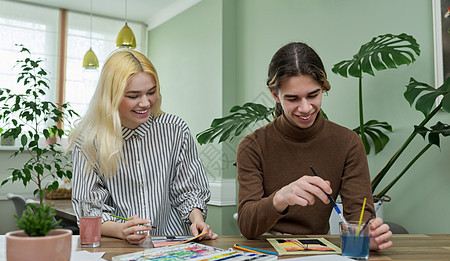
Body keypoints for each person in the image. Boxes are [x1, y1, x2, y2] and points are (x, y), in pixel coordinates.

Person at [236, 42, 392, 250]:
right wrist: (281, 198)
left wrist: (365, 234)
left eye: (313, 95)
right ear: (275, 95)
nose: (305, 108)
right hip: (265, 251)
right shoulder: (252, 146)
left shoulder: (348, 143)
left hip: (318, 249)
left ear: (323, 89)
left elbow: (359, 215)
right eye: (293, 98)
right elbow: (247, 226)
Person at [69, 49, 217, 245]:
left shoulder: (176, 130)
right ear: (111, 97)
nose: (145, 103)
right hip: (118, 248)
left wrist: (197, 219)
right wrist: (121, 230)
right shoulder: (88, 140)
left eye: (151, 92)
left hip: (172, 247)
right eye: (133, 95)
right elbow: (88, 210)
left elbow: (188, 191)